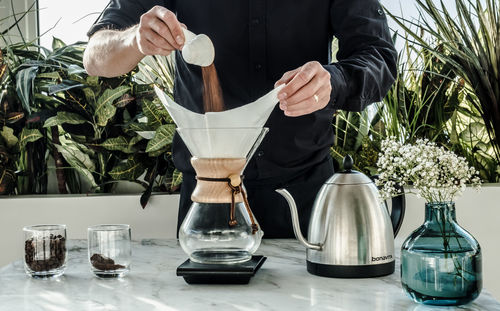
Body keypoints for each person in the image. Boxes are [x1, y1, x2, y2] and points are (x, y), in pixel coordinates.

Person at [84, 0, 397, 238]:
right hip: (206, 197)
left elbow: (379, 57)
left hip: (304, 195)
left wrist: (333, 80)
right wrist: (135, 40)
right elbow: (95, 56)